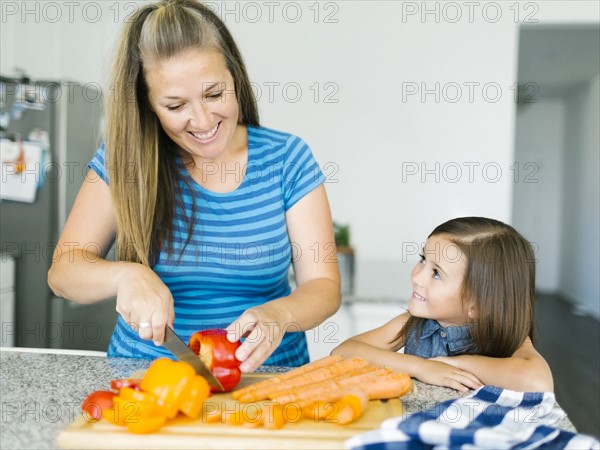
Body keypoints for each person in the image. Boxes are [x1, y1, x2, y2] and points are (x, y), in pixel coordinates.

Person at [47, 0, 341, 372]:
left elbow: (324, 287)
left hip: (269, 380)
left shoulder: (287, 159)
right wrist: (125, 274)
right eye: (175, 106)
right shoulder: (124, 161)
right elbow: (64, 272)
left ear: (235, 77)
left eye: (214, 94)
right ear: (147, 104)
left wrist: (280, 314)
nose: (202, 121)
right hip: (147, 378)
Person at [332, 217, 554, 392]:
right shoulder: (413, 324)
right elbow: (342, 353)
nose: (417, 277)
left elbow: (537, 381)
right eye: (422, 260)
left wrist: (458, 364)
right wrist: (423, 367)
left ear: (477, 306)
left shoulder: (508, 335)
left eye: (436, 273)